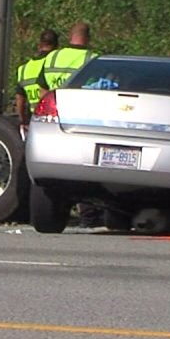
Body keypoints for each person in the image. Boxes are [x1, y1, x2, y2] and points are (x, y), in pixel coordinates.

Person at [38, 22, 102, 227]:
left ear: (68, 36)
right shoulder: (93, 59)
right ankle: (88, 216)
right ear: (89, 38)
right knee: (85, 168)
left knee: (55, 170)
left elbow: (42, 89)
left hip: (56, 118)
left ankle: (56, 212)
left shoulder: (53, 57)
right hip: (84, 120)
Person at [14, 28, 59, 132]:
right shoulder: (54, 64)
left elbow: (19, 99)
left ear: (39, 45)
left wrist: (23, 121)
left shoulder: (24, 69)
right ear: (57, 46)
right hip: (53, 117)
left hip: (33, 118)